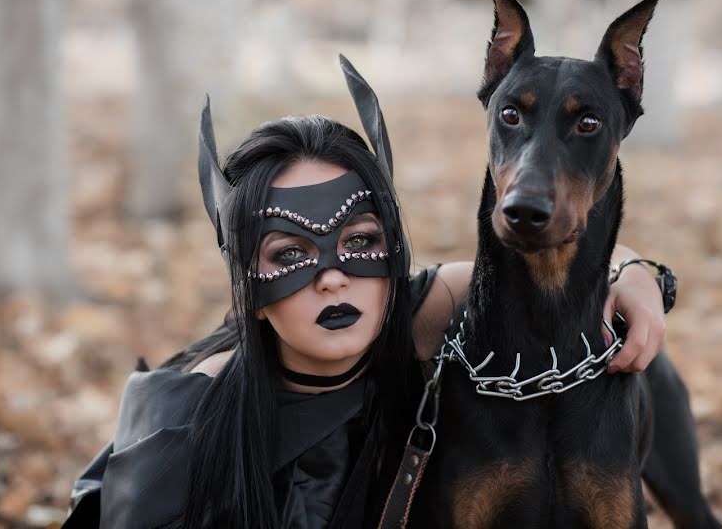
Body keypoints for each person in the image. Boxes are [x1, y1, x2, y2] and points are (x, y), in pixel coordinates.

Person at [63, 59, 669, 529]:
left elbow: (553, 259)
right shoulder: (185, 421)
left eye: (358, 243)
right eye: (290, 255)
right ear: (247, 281)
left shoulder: (411, 313)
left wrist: (637, 275)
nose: (333, 277)